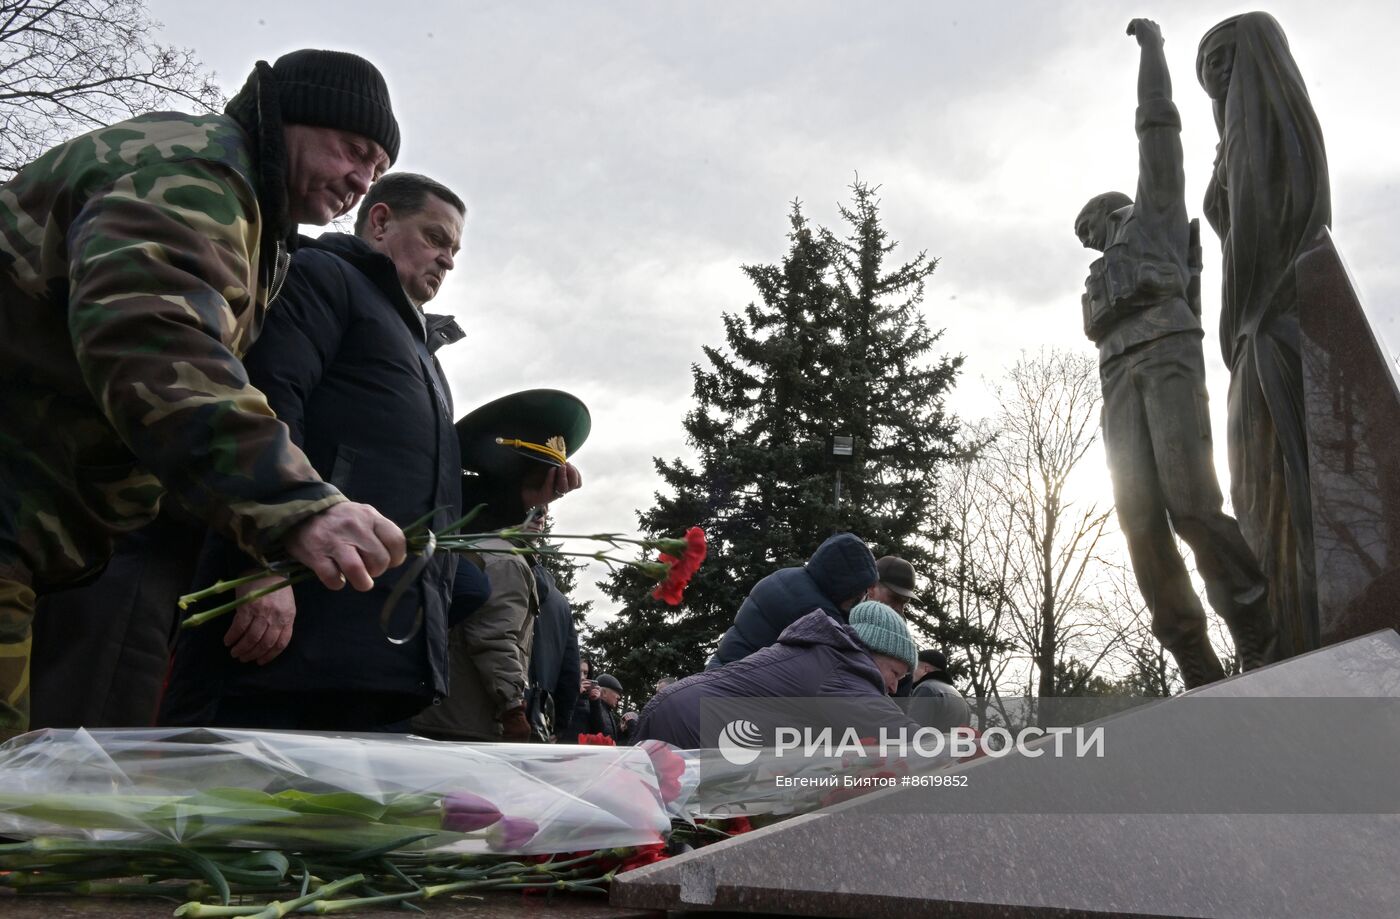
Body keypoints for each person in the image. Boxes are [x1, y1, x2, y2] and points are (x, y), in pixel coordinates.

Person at [0, 49, 409, 738]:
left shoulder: (258, 221)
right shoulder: (196, 172)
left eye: (377, 168)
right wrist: (296, 506)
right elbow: (154, 338)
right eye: (354, 149)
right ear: (293, 119)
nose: (361, 181)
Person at [161, 173, 481, 731]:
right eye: (435, 238)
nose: (447, 260)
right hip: (292, 634)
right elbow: (269, 405)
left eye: (453, 250)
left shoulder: (423, 352)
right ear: (379, 222)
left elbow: (421, 488)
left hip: (376, 650)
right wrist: (267, 566)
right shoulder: (324, 278)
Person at [1074, 18, 1274, 688]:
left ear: (1114, 209)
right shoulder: (1099, 275)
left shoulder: (1155, 213)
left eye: (1092, 226)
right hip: (1116, 380)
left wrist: (1154, 51)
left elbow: (1157, 127)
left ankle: (1255, 622)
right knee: (1138, 521)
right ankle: (1191, 648)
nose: (1091, 241)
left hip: (1166, 357)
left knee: (1190, 501)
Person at [1197, 13, 1330, 658]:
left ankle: (1301, 639)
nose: (1215, 85)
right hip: (1250, 334)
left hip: (1274, 324)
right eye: (1205, 75)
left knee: (1285, 497)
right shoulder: (1234, 146)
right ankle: (1279, 644)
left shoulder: (1272, 124)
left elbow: (1270, 228)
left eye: (1222, 64)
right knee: (1256, 500)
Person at [412, 390, 589, 742]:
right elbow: (495, 640)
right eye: (536, 505)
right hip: (468, 723)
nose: (542, 515)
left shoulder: (477, 549)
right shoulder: (504, 558)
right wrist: (514, 710)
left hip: (448, 716)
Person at [637, 601, 921, 749]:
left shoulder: (824, 653)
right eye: (895, 672)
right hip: (693, 726)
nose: (895, 687)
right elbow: (894, 731)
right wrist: (954, 747)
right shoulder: (844, 668)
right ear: (874, 650)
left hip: (681, 709)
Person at [708, 532, 878, 669]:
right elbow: (852, 663)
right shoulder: (817, 612)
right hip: (736, 695)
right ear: (845, 585)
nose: (862, 598)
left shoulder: (788, 576)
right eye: (861, 591)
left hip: (720, 676)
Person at [529, 550, 583, 742]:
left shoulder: (491, 570)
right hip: (538, 715)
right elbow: (570, 671)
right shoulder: (561, 603)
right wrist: (559, 725)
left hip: (487, 707)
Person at [908, 649, 971, 731]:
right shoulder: (957, 694)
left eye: (915, 667)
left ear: (926, 669)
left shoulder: (926, 688)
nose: (911, 672)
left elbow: (915, 730)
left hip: (931, 743)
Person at [581, 672, 624, 742]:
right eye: (616, 692)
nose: (619, 697)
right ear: (603, 693)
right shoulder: (591, 708)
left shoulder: (607, 711)